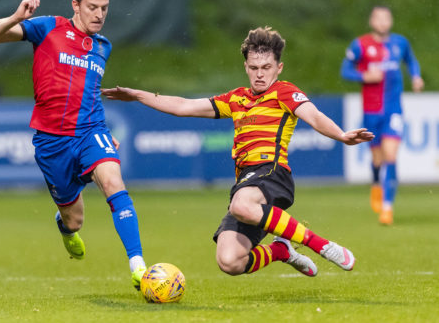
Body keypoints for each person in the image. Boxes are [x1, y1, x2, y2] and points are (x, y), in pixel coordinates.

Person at [102, 27, 374, 277]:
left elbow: (314, 116)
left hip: (271, 173)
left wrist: (341, 135)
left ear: (278, 68)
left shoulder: (284, 92)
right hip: (246, 180)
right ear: (246, 67)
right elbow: (183, 106)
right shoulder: (236, 99)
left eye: (266, 67)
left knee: (241, 205)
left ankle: (321, 245)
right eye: (254, 67)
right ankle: (281, 250)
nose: (260, 73)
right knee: (229, 261)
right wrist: (138, 95)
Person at [0, 0, 147, 289]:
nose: (99, 14)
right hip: (51, 142)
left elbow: (89, 92)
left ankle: (139, 268)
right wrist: (17, 17)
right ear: (76, 5)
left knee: (113, 183)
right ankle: (66, 228)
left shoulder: (103, 46)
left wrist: (103, 132)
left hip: (91, 132)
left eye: (105, 8)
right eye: (92, 7)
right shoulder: (49, 27)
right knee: (75, 219)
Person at [341, 6, 424, 225]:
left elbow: (411, 61)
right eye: (378, 18)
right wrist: (364, 75)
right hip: (371, 111)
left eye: (386, 18)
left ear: (391, 20)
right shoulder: (361, 45)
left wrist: (416, 77)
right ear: (371, 21)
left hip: (393, 110)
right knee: (377, 159)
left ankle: (387, 208)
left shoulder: (400, 43)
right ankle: (376, 182)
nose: (383, 22)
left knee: (391, 156)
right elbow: (345, 70)